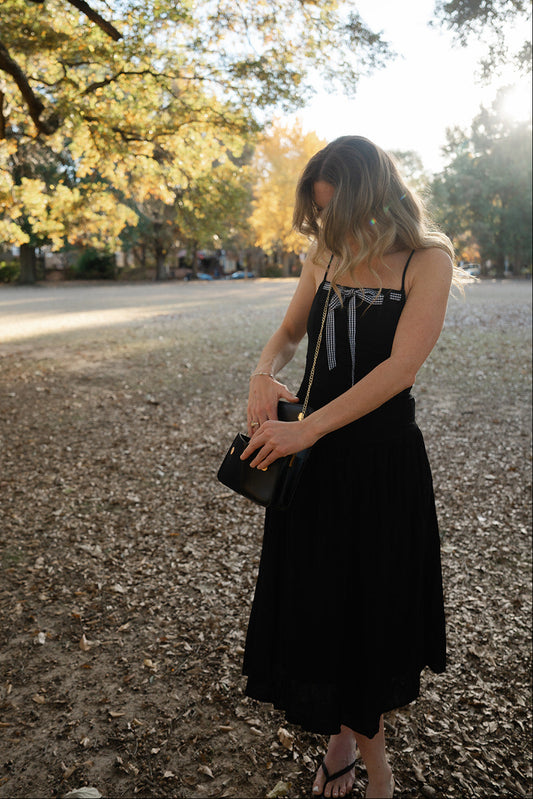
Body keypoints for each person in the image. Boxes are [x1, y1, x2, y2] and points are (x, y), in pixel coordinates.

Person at [240, 135, 459, 799]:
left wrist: (306, 427)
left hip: (381, 467)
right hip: (312, 464)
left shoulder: (428, 258)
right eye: (319, 211)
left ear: (371, 196)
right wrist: (261, 372)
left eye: (334, 209)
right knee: (322, 608)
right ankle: (347, 748)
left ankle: (372, 766)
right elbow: (288, 334)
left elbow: (401, 369)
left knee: (371, 612)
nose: (325, 223)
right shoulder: (326, 253)